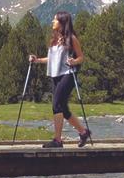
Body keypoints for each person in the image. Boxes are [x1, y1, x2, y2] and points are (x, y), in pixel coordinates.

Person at [28, 11, 92, 148]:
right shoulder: (54, 39)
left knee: (56, 105)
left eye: (55, 20)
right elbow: (52, 59)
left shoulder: (71, 39)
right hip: (55, 74)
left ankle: (57, 140)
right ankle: (83, 132)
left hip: (67, 74)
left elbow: (81, 57)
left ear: (62, 23)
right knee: (63, 108)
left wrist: (74, 61)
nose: (53, 21)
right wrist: (37, 60)